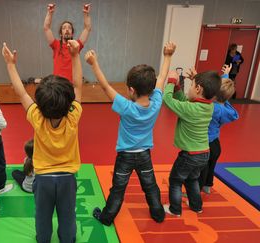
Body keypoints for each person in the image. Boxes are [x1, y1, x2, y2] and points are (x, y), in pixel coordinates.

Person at [86, 42, 176, 225]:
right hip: (144, 156)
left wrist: (94, 64)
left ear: (132, 90)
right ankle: (158, 214)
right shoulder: (156, 102)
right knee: (150, 186)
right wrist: (167, 56)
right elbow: (162, 77)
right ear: (150, 89)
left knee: (118, 189)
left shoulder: (127, 108)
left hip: (125, 157)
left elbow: (105, 87)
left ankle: (106, 217)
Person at [2, 39, 82, 243]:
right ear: (68, 102)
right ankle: (68, 239)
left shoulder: (37, 117)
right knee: (67, 215)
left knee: (42, 216)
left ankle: (43, 239)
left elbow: (20, 92)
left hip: (44, 179)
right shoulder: (73, 116)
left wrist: (11, 64)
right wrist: (75, 56)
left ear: (40, 104)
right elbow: (79, 86)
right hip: (67, 179)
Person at [162, 68, 222, 217]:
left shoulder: (191, 109)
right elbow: (184, 101)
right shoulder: (209, 106)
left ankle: (174, 209)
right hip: (203, 154)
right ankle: (196, 206)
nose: (188, 88)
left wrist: (170, 82)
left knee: (175, 180)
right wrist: (178, 88)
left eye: (191, 85)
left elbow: (167, 100)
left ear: (198, 89)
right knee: (192, 179)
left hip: (189, 155)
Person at [198, 64, 239, 194]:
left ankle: (195, 191)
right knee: (211, 166)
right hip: (215, 144)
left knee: (202, 169)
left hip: (205, 143)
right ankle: (207, 186)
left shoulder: (210, 107)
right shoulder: (226, 110)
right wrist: (226, 76)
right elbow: (224, 98)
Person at [43, 3, 91, 82]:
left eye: (69, 28)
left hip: (71, 85)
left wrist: (86, 13)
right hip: (57, 84)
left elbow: (87, 28)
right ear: (61, 34)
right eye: (64, 28)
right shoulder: (56, 45)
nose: (67, 30)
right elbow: (46, 28)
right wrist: (50, 13)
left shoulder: (76, 46)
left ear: (72, 33)